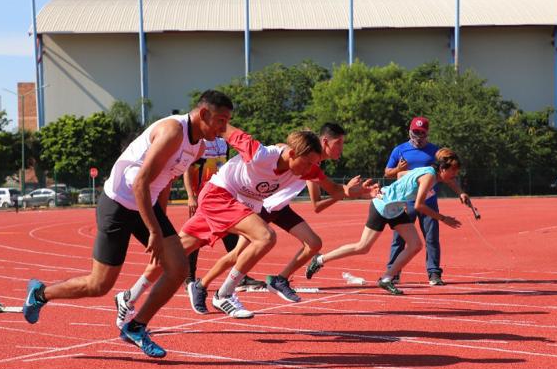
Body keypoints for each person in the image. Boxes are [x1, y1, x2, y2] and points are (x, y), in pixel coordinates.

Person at [21, 89, 234, 359]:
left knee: (178, 267)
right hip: (119, 203)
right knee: (99, 285)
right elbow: (140, 182)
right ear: (204, 114)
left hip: (146, 203)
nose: (224, 128)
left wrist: (161, 221)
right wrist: (155, 231)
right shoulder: (172, 131)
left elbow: (166, 179)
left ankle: (136, 326)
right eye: (221, 120)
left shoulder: (198, 146)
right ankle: (40, 293)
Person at [118, 127, 326, 321]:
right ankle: (224, 293)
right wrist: (197, 127)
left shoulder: (304, 168)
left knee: (174, 253)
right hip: (220, 195)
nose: (311, 168)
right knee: (265, 237)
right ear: (292, 153)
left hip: (238, 203)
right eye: (308, 162)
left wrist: (348, 191)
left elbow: (332, 187)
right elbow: (226, 129)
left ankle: (128, 296)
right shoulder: (260, 153)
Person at [187, 123, 378, 306]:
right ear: (325, 142)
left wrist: (356, 192)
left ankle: (279, 280)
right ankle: (205, 285)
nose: (342, 149)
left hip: (278, 207)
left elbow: (335, 190)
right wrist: (203, 128)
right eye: (339, 143)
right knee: (238, 253)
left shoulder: (311, 167)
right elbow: (237, 135)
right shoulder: (277, 155)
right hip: (259, 205)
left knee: (314, 243)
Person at [305, 148, 464, 295]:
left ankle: (387, 279)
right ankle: (319, 259)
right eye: (453, 173)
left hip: (395, 209)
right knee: (362, 247)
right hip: (382, 205)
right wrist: (444, 218)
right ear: (443, 169)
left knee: (415, 244)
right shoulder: (429, 176)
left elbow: (401, 176)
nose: (453, 177)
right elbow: (419, 205)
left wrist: (405, 192)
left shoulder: (428, 172)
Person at [383, 116, 468, 285]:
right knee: (399, 238)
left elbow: (447, 175)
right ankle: (393, 272)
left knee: (431, 238)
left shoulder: (436, 152)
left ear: (427, 133)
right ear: (410, 131)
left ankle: (434, 273)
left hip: (428, 201)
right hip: (405, 202)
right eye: (416, 131)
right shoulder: (399, 150)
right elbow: (388, 173)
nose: (419, 135)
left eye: (422, 132)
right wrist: (398, 169)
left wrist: (460, 192)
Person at [181, 137, 264, 291]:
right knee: (194, 238)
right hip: (202, 196)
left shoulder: (223, 142)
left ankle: (240, 277)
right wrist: (190, 196)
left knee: (230, 233)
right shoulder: (199, 141)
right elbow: (186, 169)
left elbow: (225, 166)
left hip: (221, 194)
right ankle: (189, 279)